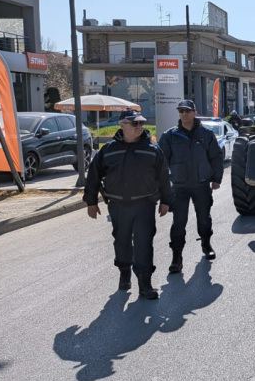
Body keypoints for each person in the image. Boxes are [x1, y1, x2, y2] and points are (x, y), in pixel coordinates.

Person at [83, 108, 173, 299]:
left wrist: (166, 201)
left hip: (144, 205)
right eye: (134, 123)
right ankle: (124, 272)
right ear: (122, 125)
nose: (139, 127)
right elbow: (93, 176)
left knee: (144, 244)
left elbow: (165, 177)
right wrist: (91, 202)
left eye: (141, 123)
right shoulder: (108, 151)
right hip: (118, 205)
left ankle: (145, 284)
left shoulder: (152, 149)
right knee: (122, 241)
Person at [158, 100, 224, 273]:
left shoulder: (206, 134)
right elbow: (161, 163)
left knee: (204, 218)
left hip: (201, 184)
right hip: (179, 186)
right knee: (178, 222)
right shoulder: (169, 136)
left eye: (187, 111)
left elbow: (216, 157)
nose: (184, 114)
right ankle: (176, 258)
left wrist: (216, 178)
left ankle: (206, 244)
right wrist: (162, 187)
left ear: (195, 113)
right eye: (181, 111)